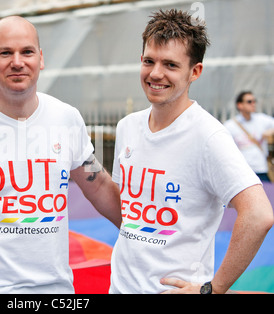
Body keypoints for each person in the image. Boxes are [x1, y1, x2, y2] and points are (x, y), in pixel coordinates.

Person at [0, 16, 122, 294]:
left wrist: (145, 237)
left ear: (41, 59)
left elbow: (100, 187)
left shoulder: (66, 119)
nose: (17, 62)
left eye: (27, 52)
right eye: (5, 52)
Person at [110, 9, 273, 294]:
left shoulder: (208, 136)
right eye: (149, 61)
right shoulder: (127, 127)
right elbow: (128, 212)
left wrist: (213, 288)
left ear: (194, 72)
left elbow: (259, 215)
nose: (156, 73)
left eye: (171, 65)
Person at [224, 91, 274, 182]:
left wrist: (269, 132)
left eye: (254, 101)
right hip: (242, 171)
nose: (253, 104)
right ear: (240, 105)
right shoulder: (230, 125)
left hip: (262, 169)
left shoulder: (262, 119)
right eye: (249, 102)